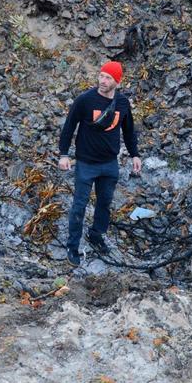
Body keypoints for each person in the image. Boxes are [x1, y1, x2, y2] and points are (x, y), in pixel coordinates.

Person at [58, 61, 141, 265]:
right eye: (101, 76)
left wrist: (135, 155)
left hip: (110, 164)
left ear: (117, 82)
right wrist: (63, 154)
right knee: (79, 206)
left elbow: (129, 130)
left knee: (104, 203)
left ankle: (96, 235)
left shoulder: (122, 103)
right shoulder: (85, 100)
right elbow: (69, 126)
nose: (102, 81)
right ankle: (72, 247)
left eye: (108, 78)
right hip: (86, 163)